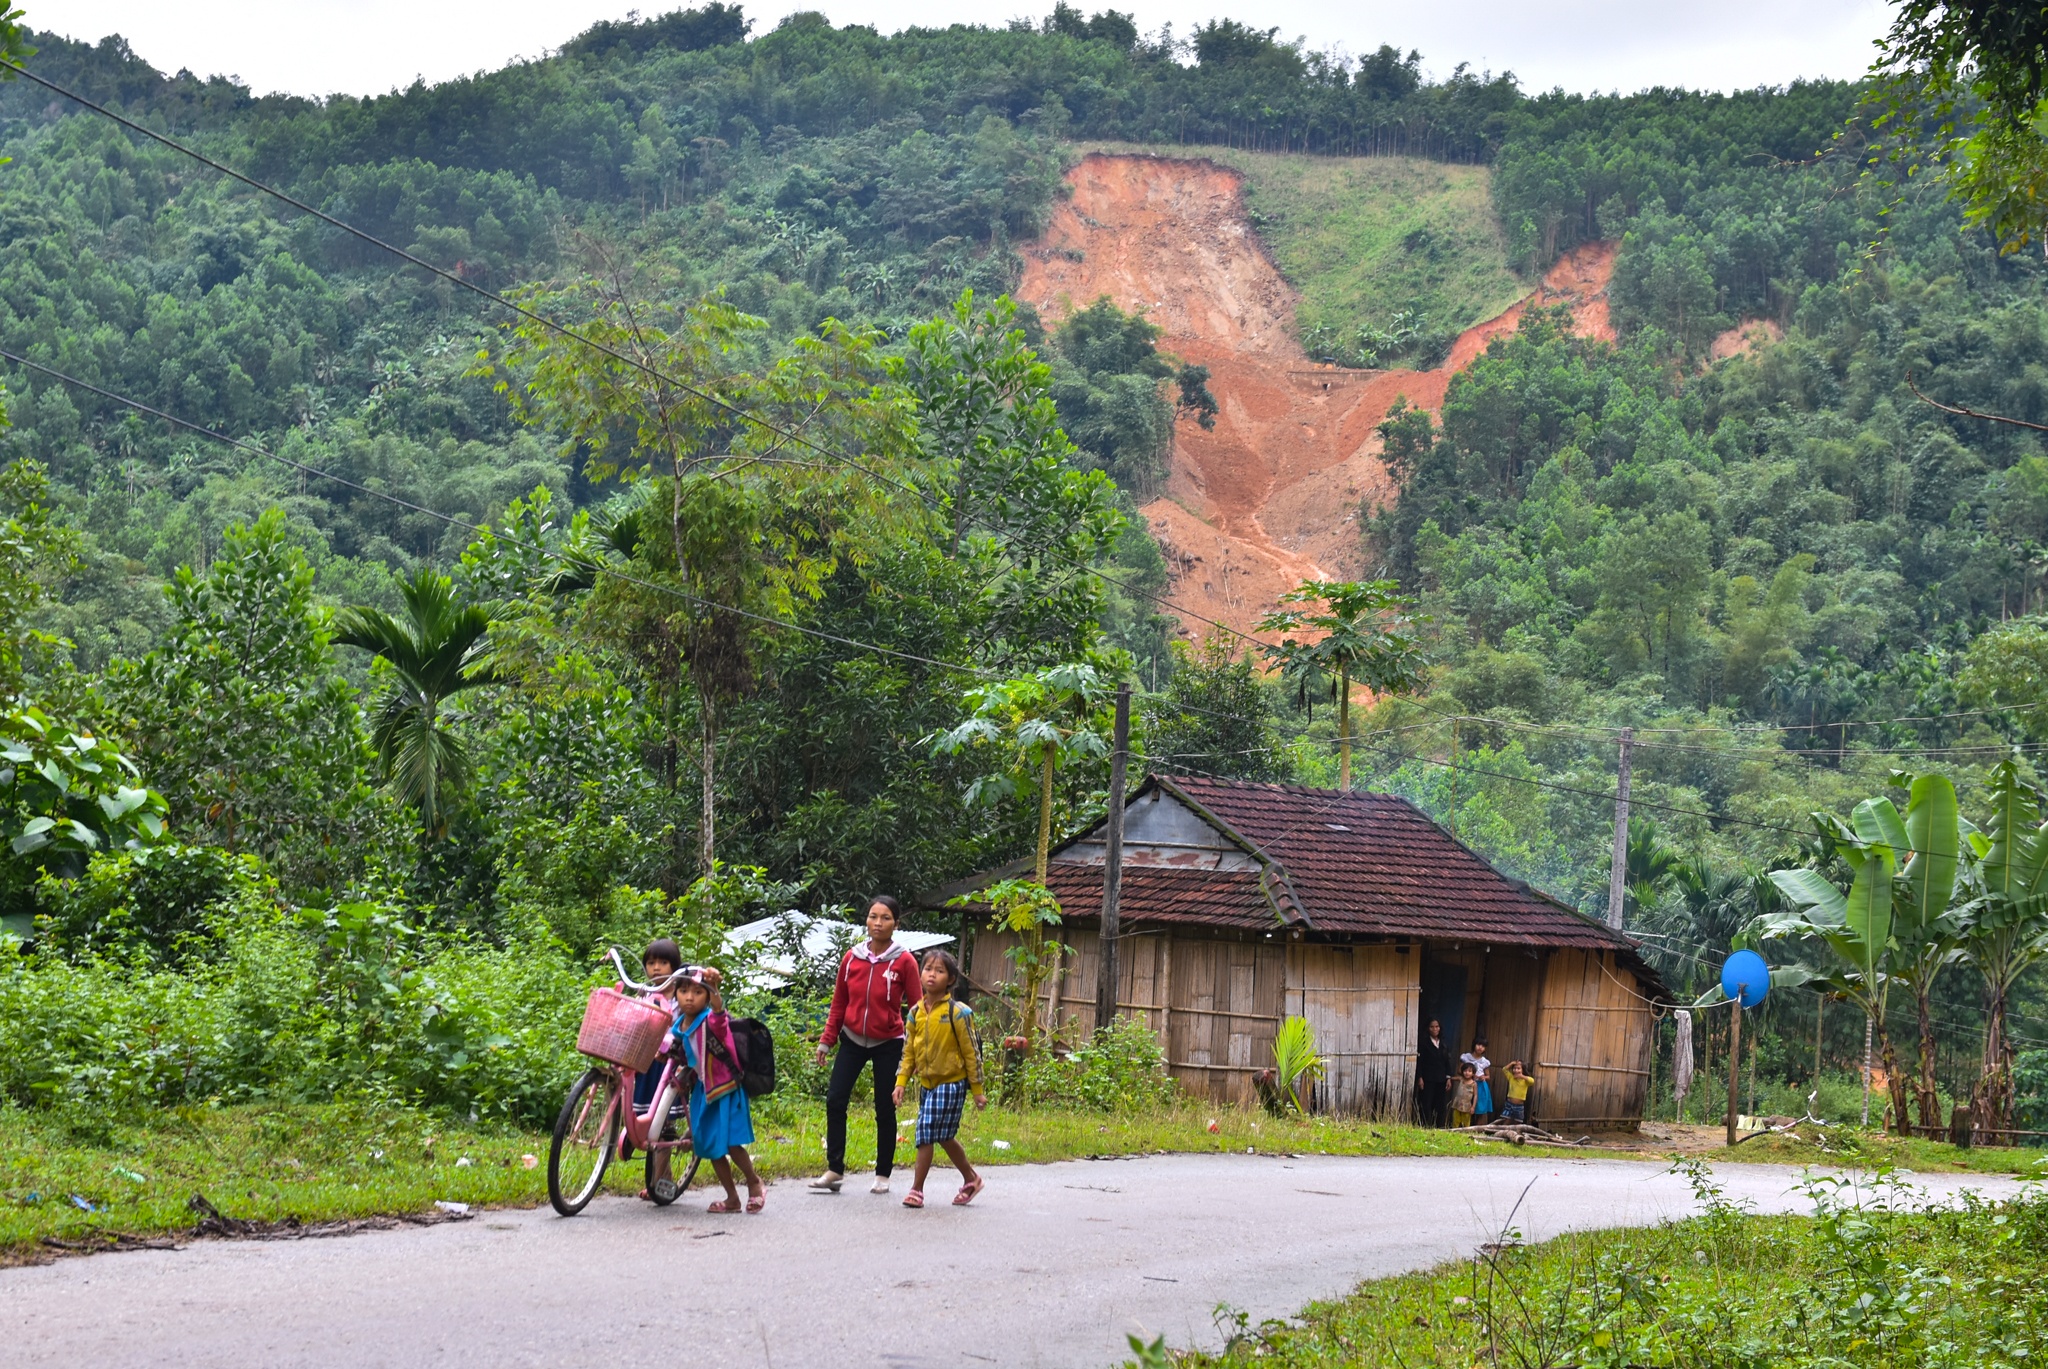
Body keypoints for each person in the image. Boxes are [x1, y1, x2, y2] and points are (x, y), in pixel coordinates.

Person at [811, 895, 920, 1194]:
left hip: (889, 1042)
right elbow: (839, 1003)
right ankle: (834, 1170)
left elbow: (917, 1009)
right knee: (835, 1099)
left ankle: (883, 1174)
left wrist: (917, 1051)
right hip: (852, 1039)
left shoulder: (904, 960)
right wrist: (826, 1041)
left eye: (885, 918)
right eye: (873, 916)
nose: (878, 923)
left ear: (896, 924)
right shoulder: (852, 958)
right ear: (866, 920)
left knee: (884, 1108)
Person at [892, 950, 987, 1209]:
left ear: (951, 979)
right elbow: (909, 1051)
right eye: (928, 969)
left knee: (925, 1130)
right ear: (920, 974)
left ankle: (916, 1190)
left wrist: (977, 1090)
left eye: (939, 970)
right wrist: (900, 1082)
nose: (932, 974)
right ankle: (971, 1179)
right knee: (943, 1135)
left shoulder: (959, 1012)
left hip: (952, 1082)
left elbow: (971, 1053)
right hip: (927, 1084)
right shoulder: (914, 1013)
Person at [669, 966, 765, 1214]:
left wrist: (715, 990)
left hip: (727, 1089)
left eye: (698, 992)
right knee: (710, 1146)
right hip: (703, 1090)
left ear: (707, 995)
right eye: (683, 991)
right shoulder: (679, 1025)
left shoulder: (712, 1020)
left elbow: (720, 1013)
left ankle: (754, 1183)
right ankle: (731, 1198)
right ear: (675, 993)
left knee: (732, 1144)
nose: (689, 997)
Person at [1415, 1017, 1454, 1127]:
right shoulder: (1424, 1043)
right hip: (1428, 1078)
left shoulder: (1443, 1044)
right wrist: (1420, 1077)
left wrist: (1448, 1077)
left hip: (1441, 1079)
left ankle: (1438, 1126)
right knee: (1426, 1103)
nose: (1435, 1029)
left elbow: (1447, 1062)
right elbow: (1420, 1062)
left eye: (1437, 1026)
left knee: (1440, 1104)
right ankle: (1424, 1125)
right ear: (1428, 1029)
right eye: (1432, 1027)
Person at [1461, 1037, 1493, 1125]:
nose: (1480, 1047)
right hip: (1467, 1084)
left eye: (1483, 1046)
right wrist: (1470, 1075)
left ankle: (1478, 1128)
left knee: (1480, 1107)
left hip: (1481, 1086)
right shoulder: (1466, 1057)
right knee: (1465, 1105)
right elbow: (1459, 1071)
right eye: (1478, 1045)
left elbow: (1488, 1076)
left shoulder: (1485, 1061)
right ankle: (1465, 1126)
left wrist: (1484, 1077)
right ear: (1474, 1045)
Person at [1500, 1060, 1534, 1125]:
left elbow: (1532, 1081)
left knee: (1518, 1122)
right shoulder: (1511, 1077)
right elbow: (1504, 1069)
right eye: (1514, 1068)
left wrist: (1522, 1076)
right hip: (1509, 1104)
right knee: (1506, 1120)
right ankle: (1503, 1133)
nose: (1516, 1070)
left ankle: (1516, 1134)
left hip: (1519, 1105)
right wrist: (1511, 1063)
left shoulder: (1525, 1081)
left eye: (1518, 1068)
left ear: (1523, 1070)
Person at [1450, 1062, 1479, 1129]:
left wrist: (1473, 1107)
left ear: (1473, 1073)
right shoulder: (1461, 1079)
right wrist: (1449, 1078)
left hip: (1467, 1105)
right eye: (1465, 1071)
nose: (1467, 1073)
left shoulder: (1474, 1084)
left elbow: (1475, 1095)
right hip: (1458, 1103)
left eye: (1469, 1071)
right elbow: (1453, 1078)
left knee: (1466, 1122)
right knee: (1455, 1120)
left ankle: (1465, 1133)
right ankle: (1454, 1131)